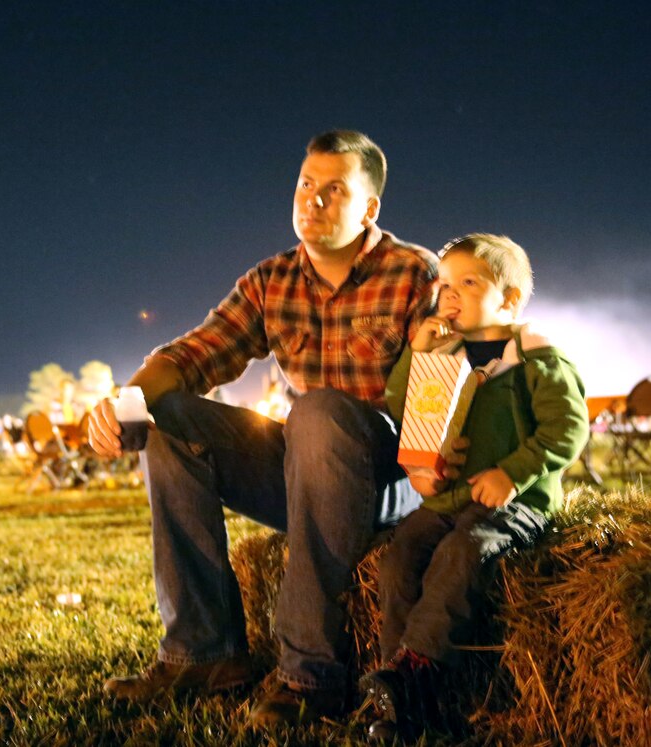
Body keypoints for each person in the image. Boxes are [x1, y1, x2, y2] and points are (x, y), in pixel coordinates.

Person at [87, 130, 439, 726]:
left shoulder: (416, 273)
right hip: (305, 472)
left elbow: (435, 396)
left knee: (318, 411)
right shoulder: (271, 281)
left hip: (393, 477)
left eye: (335, 190)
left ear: (370, 208)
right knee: (172, 420)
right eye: (306, 185)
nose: (314, 200)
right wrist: (124, 404)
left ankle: (312, 671)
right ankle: (204, 653)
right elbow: (193, 355)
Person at [361, 233, 590, 742]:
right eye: (444, 283)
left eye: (468, 282)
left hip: (511, 504)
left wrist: (513, 473)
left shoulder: (536, 360)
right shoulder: (444, 353)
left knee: (464, 550)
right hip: (445, 498)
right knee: (400, 557)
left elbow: (567, 429)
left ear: (508, 299)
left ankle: (416, 667)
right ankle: (395, 687)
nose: (450, 294)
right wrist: (414, 356)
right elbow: (406, 410)